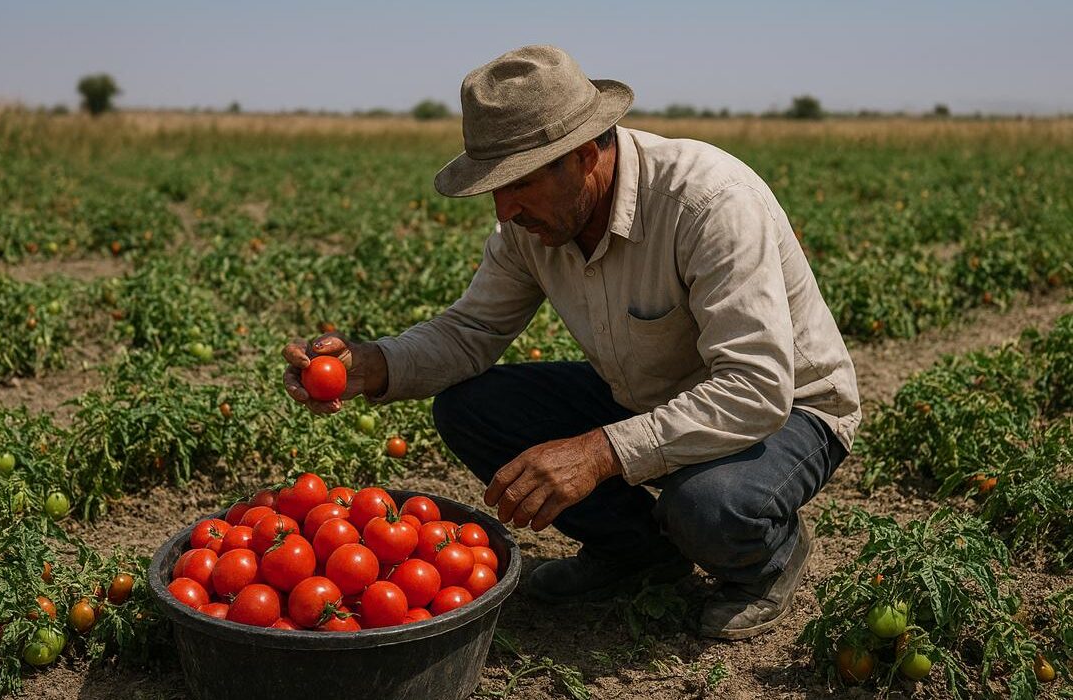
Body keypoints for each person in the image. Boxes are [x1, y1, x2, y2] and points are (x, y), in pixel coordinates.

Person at [283, 45, 861, 640]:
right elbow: (470, 332)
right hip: (649, 394)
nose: (504, 211)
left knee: (706, 507)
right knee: (471, 408)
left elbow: (754, 388)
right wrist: (373, 364)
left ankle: (769, 559)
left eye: (520, 183)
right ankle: (640, 554)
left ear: (586, 155)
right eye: (494, 188)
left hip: (788, 409)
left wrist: (598, 453)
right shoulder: (531, 227)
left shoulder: (707, 202)